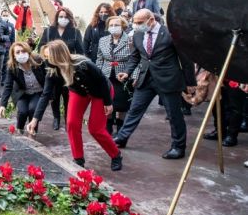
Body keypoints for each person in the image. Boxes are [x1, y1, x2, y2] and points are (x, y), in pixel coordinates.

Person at [27, 40, 122, 171]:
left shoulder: (83, 63)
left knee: (95, 128)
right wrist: (35, 120)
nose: (47, 60)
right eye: (46, 57)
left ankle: (116, 155)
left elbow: (101, 80)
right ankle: (78, 159)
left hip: (100, 91)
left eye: (49, 57)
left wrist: (108, 102)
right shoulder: (52, 70)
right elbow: (45, 95)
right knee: (71, 123)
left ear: (59, 55)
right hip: (78, 91)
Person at [114, 9, 196, 159]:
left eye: (139, 23)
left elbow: (186, 59)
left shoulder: (171, 34)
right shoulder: (138, 34)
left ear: (151, 20)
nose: (136, 26)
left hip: (168, 80)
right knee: (134, 110)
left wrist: (190, 82)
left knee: (174, 115)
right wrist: (127, 72)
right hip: (145, 79)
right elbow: (135, 57)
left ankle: (178, 147)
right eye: (135, 23)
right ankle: (122, 138)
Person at [37, 7, 84, 130]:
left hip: (68, 69)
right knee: (54, 95)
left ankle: (68, 118)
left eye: (66, 17)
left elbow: (80, 52)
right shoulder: (49, 31)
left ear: (70, 19)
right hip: (52, 68)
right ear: (57, 18)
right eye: (61, 17)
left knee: (68, 95)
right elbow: (41, 48)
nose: (63, 19)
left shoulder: (75, 32)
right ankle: (56, 117)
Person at [96, 16, 135, 135]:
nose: (114, 27)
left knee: (122, 104)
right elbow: (99, 58)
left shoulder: (130, 40)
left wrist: (135, 76)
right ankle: (108, 126)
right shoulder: (103, 40)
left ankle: (120, 127)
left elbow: (135, 59)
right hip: (106, 76)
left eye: (116, 25)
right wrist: (97, 75)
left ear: (122, 26)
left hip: (123, 76)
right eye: (111, 25)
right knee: (107, 102)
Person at [0, 42, 46, 132]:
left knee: (33, 108)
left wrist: (50, 96)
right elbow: (8, 86)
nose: (21, 54)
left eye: (23, 51)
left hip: (37, 92)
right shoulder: (12, 67)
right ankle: (20, 129)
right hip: (22, 93)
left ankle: (33, 130)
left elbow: (48, 79)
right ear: (14, 55)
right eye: (18, 52)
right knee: (22, 111)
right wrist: (3, 105)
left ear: (28, 51)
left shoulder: (38, 61)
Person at [203, 79, 248, 147]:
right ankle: (219, 130)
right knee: (217, 102)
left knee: (235, 106)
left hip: (237, 76)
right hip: (219, 75)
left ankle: (232, 135)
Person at [0, 9, 16, 87]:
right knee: (0, 64)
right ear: (1, 15)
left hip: (8, 47)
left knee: (6, 64)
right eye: (3, 15)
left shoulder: (11, 25)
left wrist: (13, 47)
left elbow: (12, 38)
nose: (5, 17)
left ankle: (4, 81)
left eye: (6, 15)